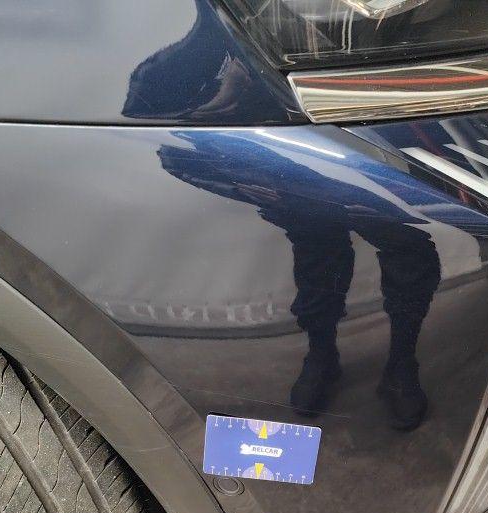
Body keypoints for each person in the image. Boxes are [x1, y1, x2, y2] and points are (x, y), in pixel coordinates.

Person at [156, 133, 441, 430]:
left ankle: (401, 361)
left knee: (407, 244)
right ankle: (322, 353)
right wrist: (234, 177)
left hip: (363, 141)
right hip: (267, 145)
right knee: (315, 242)